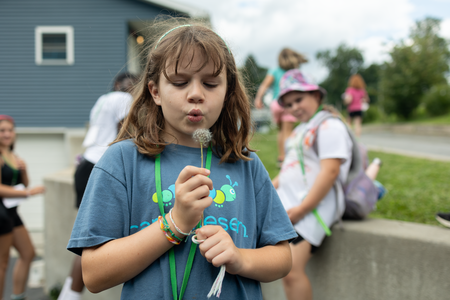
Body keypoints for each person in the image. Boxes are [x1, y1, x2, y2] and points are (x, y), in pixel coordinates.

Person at [66, 21, 297, 300]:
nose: (196, 93)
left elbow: (283, 258)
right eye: (179, 82)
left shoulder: (246, 164)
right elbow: (94, 274)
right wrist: (174, 223)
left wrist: (240, 258)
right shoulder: (122, 162)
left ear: (227, 92)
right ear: (155, 92)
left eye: (211, 83)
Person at [270, 70, 353, 300]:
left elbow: (330, 171)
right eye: (288, 104)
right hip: (292, 206)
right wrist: (265, 190)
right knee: (284, 269)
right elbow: (288, 170)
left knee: (291, 271)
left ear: (316, 96)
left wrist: (303, 209)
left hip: (312, 209)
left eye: (299, 99)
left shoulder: (329, 126)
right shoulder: (300, 130)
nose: (294, 107)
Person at [57, 72, 136, 300]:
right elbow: (125, 132)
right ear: (123, 87)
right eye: (132, 87)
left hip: (86, 164)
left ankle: (67, 293)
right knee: (93, 241)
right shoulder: (123, 99)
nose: (133, 92)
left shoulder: (102, 100)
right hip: (101, 165)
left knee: (88, 237)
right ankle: (70, 295)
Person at [0, 115, 45, 300]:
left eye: (10, 130)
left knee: (28, 253)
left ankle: (17, 297)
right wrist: (28, 193)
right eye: (2, 130)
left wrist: (24, 170)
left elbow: (24, 183)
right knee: (2, 262)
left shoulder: (12, 155)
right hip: (1, 214)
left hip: (12, 213)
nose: (7, 134)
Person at [254, 48, 308, 166]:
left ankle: (281, 158)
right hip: (289, 103)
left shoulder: (274, 71)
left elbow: (264, 85)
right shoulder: (294, 72)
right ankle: (288, 158)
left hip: (276, 104)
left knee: (281, 131)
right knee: (287, 131)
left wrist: (258, 98)